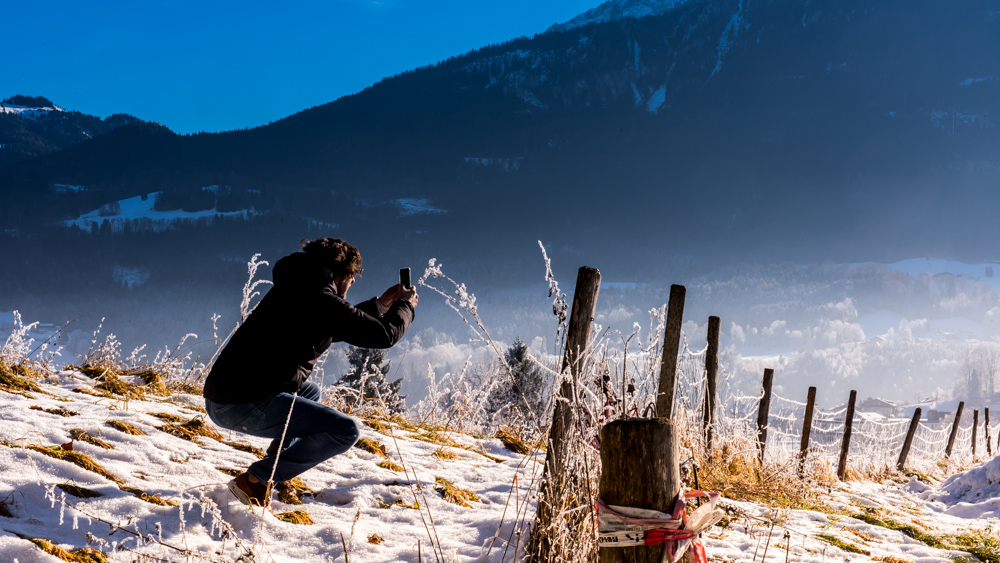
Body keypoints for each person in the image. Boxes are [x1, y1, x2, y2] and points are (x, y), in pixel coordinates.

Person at [203, 237, 417, 507]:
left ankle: (275, 473)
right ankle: (257, 480)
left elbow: (337, 320)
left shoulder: (301, 284)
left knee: (309, 391)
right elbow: (384, 335)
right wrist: (406, 306)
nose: (352, 285)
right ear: (341, 275)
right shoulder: (320, 298)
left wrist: (383, 304)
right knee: (345, 431)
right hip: (237, 404)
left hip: (226, 395)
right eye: (352, 279)